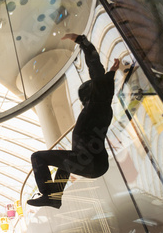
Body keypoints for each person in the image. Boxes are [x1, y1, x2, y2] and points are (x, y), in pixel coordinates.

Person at [27, 33, 120, 208]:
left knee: (38, 157)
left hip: (90, 161)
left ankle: (49, 195)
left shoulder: (97, 104)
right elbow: (103, 84)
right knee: (65, 161)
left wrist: (81, 41)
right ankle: (55, 196)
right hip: (91, 161)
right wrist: (112, 73)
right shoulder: (101, 107)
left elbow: (95, 68)